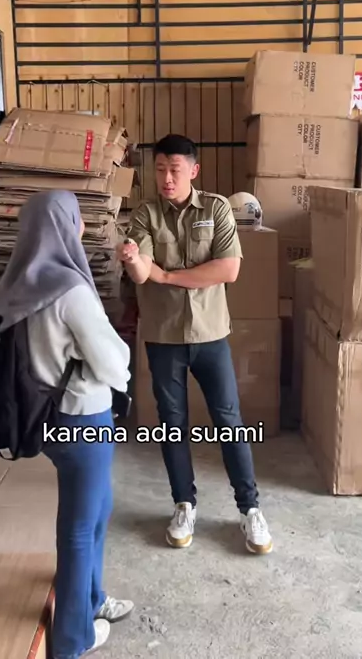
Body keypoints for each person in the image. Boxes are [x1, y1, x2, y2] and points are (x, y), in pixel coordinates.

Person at [0, 190, 133, 659]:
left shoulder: (17, 284)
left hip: (47, 419)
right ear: (63, 227)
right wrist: (121, 357)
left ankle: (92, 599)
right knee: (79, 528)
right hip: (84, 421)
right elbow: (114, 364)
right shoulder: (70, 291)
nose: (82, 228)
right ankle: (73, 639)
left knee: (95, 509)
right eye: (76, 219)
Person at [117, 134, 272, 555]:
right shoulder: (146, 214)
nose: (166, 178)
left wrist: (166, 276)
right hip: (163, 336)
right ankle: (183, 504)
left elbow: (228, 269)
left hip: (210, 335)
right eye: (160, 170)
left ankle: (250, 508)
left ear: (193, 171)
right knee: (172, 422)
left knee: (229, 420)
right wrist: (133, 259)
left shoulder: (217, 209)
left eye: (175, 170)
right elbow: (142, 272)